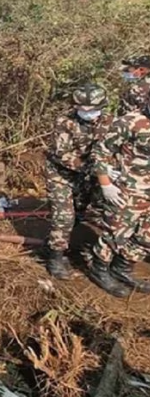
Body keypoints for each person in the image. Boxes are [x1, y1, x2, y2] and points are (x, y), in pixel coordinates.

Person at [44, 84, 111, 280]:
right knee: (63, 216)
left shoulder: (109, 122)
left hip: (89, 175)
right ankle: (55, 256)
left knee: (83, 211)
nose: (88, 113)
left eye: (92, 109)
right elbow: (61, 154)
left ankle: (86, 248)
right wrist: (96, 170)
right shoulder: (65, 122)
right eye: (83, 109)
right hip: (61, 174)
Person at [91, 94, 150, 297]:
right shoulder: (131, 122)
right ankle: (99, 269)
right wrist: (105, 184)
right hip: (130, 189)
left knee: (146, 236)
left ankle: (122, 268)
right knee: (116, 233)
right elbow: (101, 151)